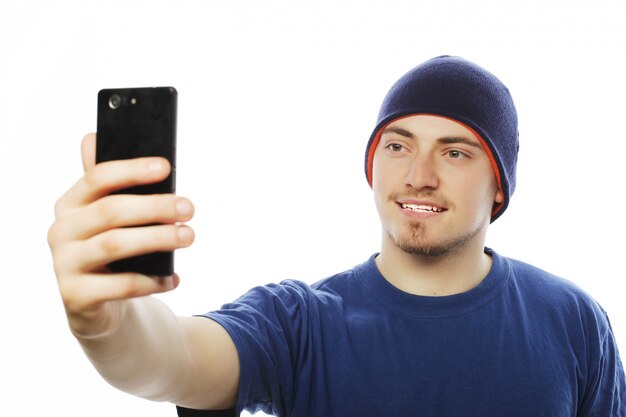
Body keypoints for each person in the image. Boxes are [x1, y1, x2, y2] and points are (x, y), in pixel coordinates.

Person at [48, 56, 625, 417]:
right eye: (397, 146)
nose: (417, 175)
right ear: (373, 166)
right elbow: (172, 359)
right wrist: (111, 325)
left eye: (454, 151)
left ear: (499, 186)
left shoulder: (572, 320)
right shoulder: (301, 321)